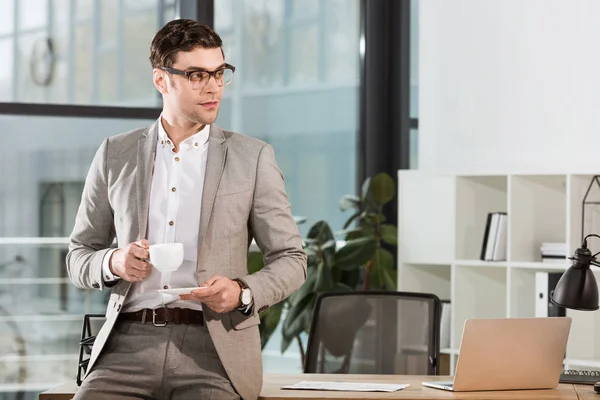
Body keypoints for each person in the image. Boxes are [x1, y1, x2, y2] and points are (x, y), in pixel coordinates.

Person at [66, 18, 307, 400]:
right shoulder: (116, 153)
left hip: (214, 349)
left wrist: (242, 291)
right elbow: (78, 256)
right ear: (162, 80)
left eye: (219, 73)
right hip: (125, 347)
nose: (213, 87)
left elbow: (292, 258)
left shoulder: (253, 157)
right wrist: (114, 262)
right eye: (197, 75)